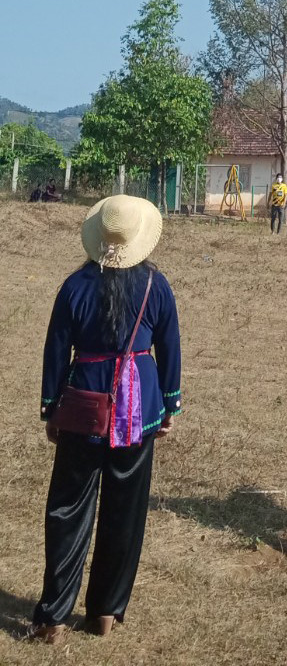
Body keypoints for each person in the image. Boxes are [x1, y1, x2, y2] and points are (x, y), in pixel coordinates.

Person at [30, 195, 182, 643]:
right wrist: (169, 405)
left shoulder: (74, 286)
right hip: (139, 414)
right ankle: (106, 614)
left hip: (82, 409)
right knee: (125, 512)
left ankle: (53, 617)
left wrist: (50, 407)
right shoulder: (157, 287)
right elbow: (169, 350)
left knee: (67, 510)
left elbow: (56, 351)